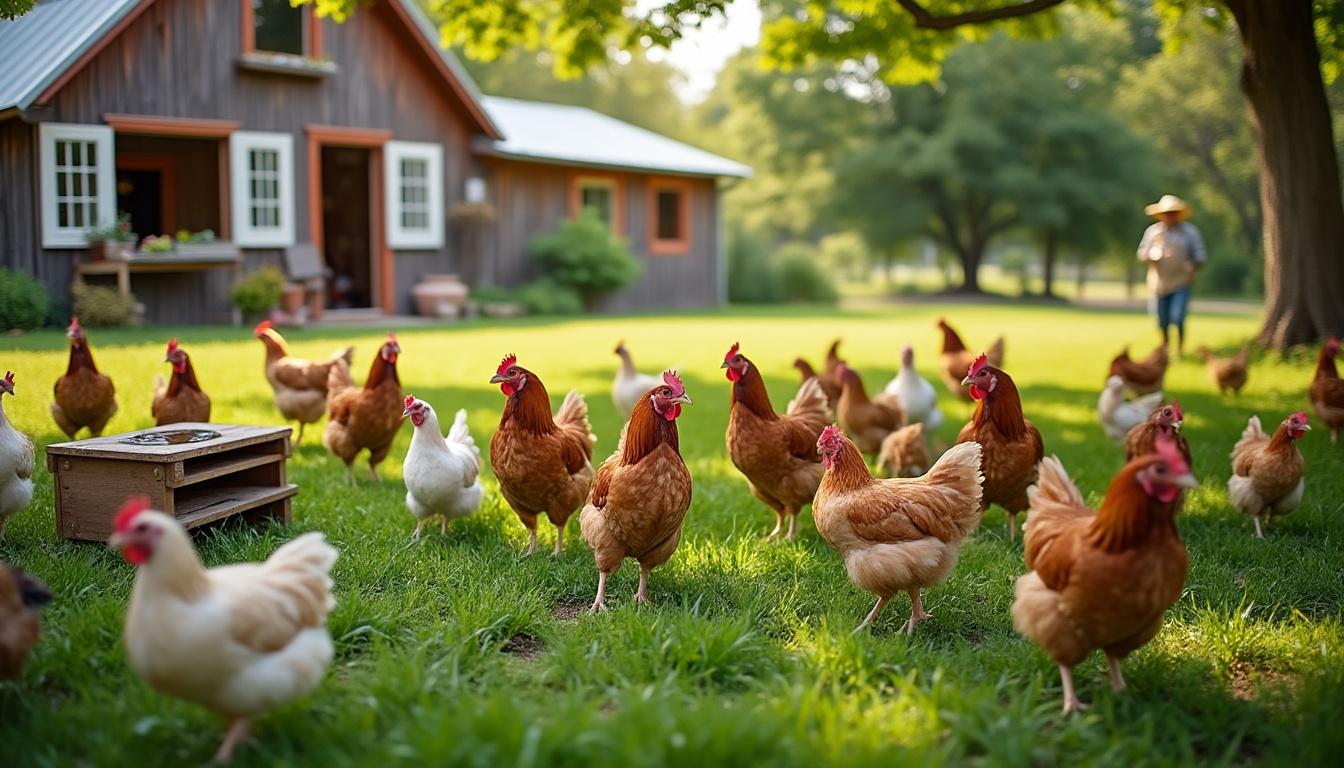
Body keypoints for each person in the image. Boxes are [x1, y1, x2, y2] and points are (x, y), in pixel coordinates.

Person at [1137, 194, 1206, 355]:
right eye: (1167, 213)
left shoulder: (1190, 233)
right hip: (1158, 283)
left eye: (1173, 213)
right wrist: (1149, 257)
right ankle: (1166, 347)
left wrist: (1192, 265)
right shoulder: (1153, 232)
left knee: (1178, 317)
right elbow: (1141, 253)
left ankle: (1180, 349)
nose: (1170, 216)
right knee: (1162, 320)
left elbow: (1200, 255)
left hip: (1181, 282)